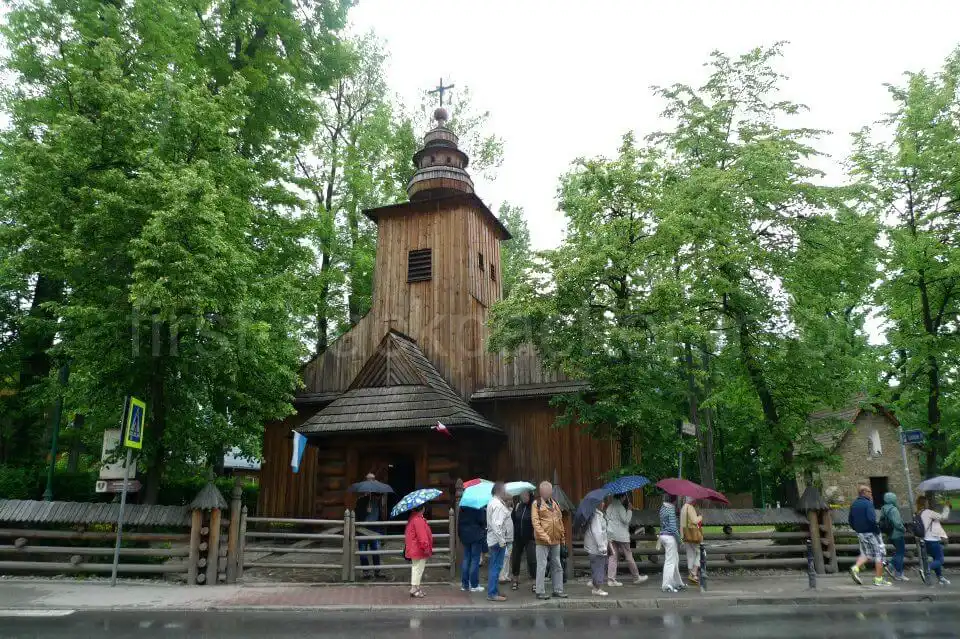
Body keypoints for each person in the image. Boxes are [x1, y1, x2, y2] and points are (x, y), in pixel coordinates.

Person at [531, 480, 568, 600]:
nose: (547, 493)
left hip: (556, 539)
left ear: (551, 491)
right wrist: (545, 537)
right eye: (544, 491)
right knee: (542, 565)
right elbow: (536, 523)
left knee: (557, 565)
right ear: (541, 491)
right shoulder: (536, 504)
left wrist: (562, 537)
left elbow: (560, 520)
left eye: (548, 491)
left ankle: (558, 590)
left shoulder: (555, 503)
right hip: (542, 541)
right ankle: (540, 591)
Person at [848, 485, 891, 587]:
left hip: (860, 533)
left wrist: (857, 529)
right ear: (864, 492)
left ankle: (855, 568)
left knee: (867, 554)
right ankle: (878, 579)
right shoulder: (868, 504)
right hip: (872, 532)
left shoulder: (854, 504)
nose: (871, 494)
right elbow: (871, 519)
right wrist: (876, 530)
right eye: (869, 492)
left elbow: (850, 520)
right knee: (879, 554)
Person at [605, 493, 646, 586]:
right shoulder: (620, 507)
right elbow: (626, 520)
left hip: (611, 535)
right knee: (628, 556)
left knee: (613, 557)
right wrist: (629, 510)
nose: (624, 499)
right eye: (624, 497)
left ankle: (611, 580)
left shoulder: (610, 506)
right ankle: (636, 577)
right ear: (622, 497)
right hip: (621, 536)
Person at [485, 481, 513, 602]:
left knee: (494, 566)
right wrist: (502, 541)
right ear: (499, 491)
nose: (506, 492)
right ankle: (492, 593)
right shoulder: (498, 505)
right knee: (496, 567)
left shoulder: (494, 503)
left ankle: (494, 591)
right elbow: (497, 525)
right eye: (504, 490)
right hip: (497, 540)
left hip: (494, 539)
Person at [917, 496, 951, 586]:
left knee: (936, 558)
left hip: (925, 540)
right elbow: (944, 517)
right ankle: (926, 569)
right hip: (933, 539)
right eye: (927, 502)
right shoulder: (929, 512)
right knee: (940, 560)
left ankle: (940, 577)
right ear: (925, 503)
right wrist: (946, 507)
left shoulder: (918, 513)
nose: (928, 503)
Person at [404, 504, 433, 598]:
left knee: (416, 568)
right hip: (419, 549)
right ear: (422, 509)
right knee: (418, 569)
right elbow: (422, 536)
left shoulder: (414, 518)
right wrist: (426, 547)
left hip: (414, 547)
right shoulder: (418, 520)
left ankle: (416, 587)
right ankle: (414, 588)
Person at [510, 491, 537, 591]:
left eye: (525, 495)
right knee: (516, 559)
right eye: (522, 495)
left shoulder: (534, 506)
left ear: (530, 495)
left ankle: (535, 582)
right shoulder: (518, 506)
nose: (523, 497)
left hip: (530, 538)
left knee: (532, 560)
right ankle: (515, 580)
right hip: (518, 537)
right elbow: (513, 519)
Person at [356, 484, 383, 580]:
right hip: (363, 528)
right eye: (378, 496)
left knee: (375, 550)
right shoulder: (361, 501)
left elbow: (380, 518)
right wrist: (366, 512)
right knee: (363, 551)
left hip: (374, 528)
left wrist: (381, 531)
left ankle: (377, 571)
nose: (379, 498)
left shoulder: (378, 503)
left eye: (380, 496)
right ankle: (366, 572)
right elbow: (357, 514)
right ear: (373, 494)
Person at [584, 496, 610, 596]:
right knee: (599, 567)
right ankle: (597, 588)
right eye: (601, 502)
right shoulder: (596, 516)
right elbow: (597, 532)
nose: (603, 504)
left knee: (596, 566)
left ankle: (595, 583)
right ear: (597, 504)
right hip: (597, 547)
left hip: (593, 546)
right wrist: (602, 547)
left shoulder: (596, 514)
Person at [879, 492, 908, 581]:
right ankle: (898, 573)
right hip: (897, 534)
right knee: (900, 553)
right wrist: (904, 529)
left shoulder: (883, 509)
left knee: (898, 552)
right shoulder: (893, 509)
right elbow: (897, 523)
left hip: (890, 534)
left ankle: (890, 565)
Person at [457, 504, 486, 592]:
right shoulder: (478, 506)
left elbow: (459, 522)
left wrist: (460, 535)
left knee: (466, 559)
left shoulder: (463, 507)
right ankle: (474, 585)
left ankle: (465, 585)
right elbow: (482, 520)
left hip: (465, 535)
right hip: (476, 535)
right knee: (475, 560)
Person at [658, 494, 684, 593]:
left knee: (675, 560)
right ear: (674, 500)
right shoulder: (671, 509)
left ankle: (678, 583)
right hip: (670, 538)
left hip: (663, 535)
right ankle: (666, 585)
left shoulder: (663, 508)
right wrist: (680, 541)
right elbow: (673, 528)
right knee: (670, 562)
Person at [680, 496, 703, 585]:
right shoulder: (690, 507)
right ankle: (694, 572)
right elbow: (694, 521)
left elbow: (681, 524)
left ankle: (691, 575)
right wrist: (700, 516)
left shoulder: (683, 508)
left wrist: (682, 536)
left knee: (690, 554)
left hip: (686, 534)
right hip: (693, 534)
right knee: (701, 552)